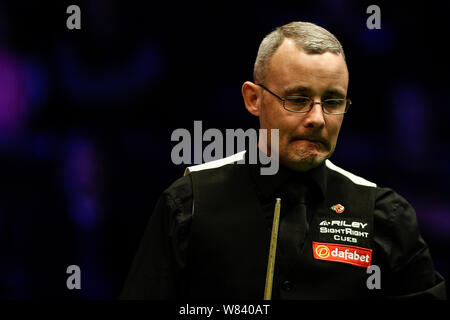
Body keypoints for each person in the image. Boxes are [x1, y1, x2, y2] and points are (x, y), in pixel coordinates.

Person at [120, 21, 446, 299]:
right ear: (254, 99)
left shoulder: (383, 214)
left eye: (332, 101)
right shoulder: (189, 201)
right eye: (298, 99)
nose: (317, 118)